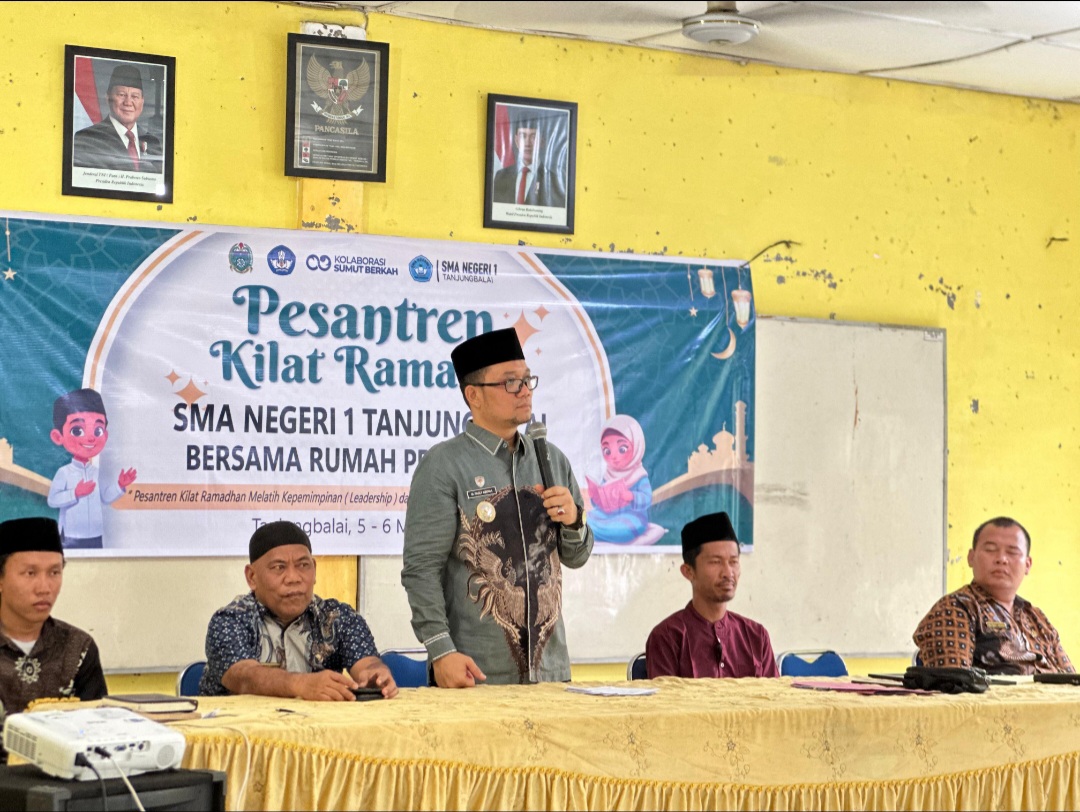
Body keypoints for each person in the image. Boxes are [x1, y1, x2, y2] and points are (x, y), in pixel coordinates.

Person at [401, 327, 593, 687]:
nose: (525, 391)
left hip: (550, 673)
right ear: (473, 394)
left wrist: (574, 522)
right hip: (475, 673)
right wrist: (441, 650)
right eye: (510, 383)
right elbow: (421, 569)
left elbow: (577, 556)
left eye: (527, 380)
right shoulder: (444, 465)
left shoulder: (550, 459)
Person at [200, 521, 398, 699]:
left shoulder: (337, 617)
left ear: (314, 569)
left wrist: (375, 675)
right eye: (279, 568)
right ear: (252, 577)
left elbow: (367, 663)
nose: (293, 578)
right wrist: (300, 684)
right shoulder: (230, 620)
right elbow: (243, 676)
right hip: (239, 726)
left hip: (318, 726)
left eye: (303, 565)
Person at [913, 517, 1073, 674]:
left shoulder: (1037, 618)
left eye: (1012, 552)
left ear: (1027, 564)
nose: (1002, 559)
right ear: (971, 557)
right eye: (990, 550)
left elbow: (1071, 679)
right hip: (1000, 692)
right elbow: (955, 682)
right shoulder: (956, 607)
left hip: (1053, 692)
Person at [646, 511, 778, 678]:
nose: (728, 573)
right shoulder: (667, 637)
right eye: (716, 562)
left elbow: (774, 693)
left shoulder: (756, 636)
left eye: (734, 562)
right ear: (688, 572)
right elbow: (665, 695)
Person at [0, 517, 107, 720]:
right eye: (30, 573)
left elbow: (96, 728)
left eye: (54, 572)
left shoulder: (78, 648)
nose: (44, 588)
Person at [47, 388, 137, 549]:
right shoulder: (64, 473)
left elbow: (105, 497)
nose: (90, 438)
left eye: (98, 430)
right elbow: (52, 500)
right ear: (58, 437)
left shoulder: (96, 472)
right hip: (71, 536)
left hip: (95, 535)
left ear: (105, 436)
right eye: (77, 430)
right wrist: (75, 493)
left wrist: (120, 485)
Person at [72, 63, 162, 173]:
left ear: (142, 102)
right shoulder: (88, 138)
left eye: (135, 96)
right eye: (121, 95)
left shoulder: (152, 142)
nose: (128, 102)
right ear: (108, 98)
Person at [587, 414, 653, 544]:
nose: (614, 457)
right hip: (607, 514)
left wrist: (632, 496)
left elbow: (647, 499)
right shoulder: (608, 474)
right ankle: (596, 530)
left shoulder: (639, 475)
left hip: (632, 516)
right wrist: (595, 497)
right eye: (607, 451)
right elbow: (600, 503)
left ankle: (600, 532)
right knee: (587, 518)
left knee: (623, 527)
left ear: (636, 445)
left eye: (622, 449)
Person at [492, 122, 567, 207]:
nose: (527, 143)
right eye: (523, 136)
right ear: (516, 140)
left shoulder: (554, 182)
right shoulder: (500, 177)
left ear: (542, 141)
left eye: (533, 137)